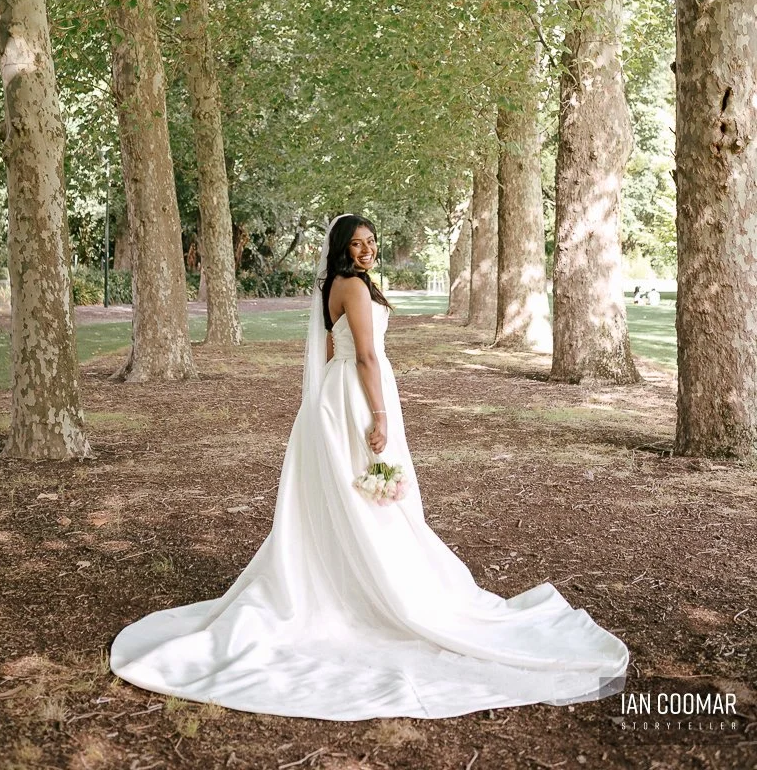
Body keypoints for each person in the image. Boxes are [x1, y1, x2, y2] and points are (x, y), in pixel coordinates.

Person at [109, 212, 629, 720]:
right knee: (368, 487)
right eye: (357, 243)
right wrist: (378, 415)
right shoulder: (353, 287)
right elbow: (364, 356)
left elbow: (335, 348)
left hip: (339, 394)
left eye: (371, 241)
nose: (367, 250)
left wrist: (345, 400)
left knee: (353, 490)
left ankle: (352, 574)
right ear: (341, 248)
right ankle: (379, 586)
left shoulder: (338, 285)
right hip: (357, 396)